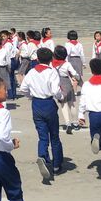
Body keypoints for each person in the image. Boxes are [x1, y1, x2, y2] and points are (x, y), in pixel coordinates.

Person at [19, 47, 64, 181]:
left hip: (37, 104)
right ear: (51, 59)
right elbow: (56, 90)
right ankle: (57, 165)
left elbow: (23, 89)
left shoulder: (32, 72)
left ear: (37, 59)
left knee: (42, 135)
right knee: (54, 136)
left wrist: (31, 96)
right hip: (48, 103)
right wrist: (61, 97)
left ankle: (42, 156)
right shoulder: (52, 72)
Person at [52, 45, 80, 134]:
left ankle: (67, 123)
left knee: (63, 105)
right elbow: (74, 74)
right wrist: (77, 78)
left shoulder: (52, 64)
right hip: (67, 83)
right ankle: (75, 123)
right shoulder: (67, 63)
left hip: (58, 83)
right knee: (71, 104)